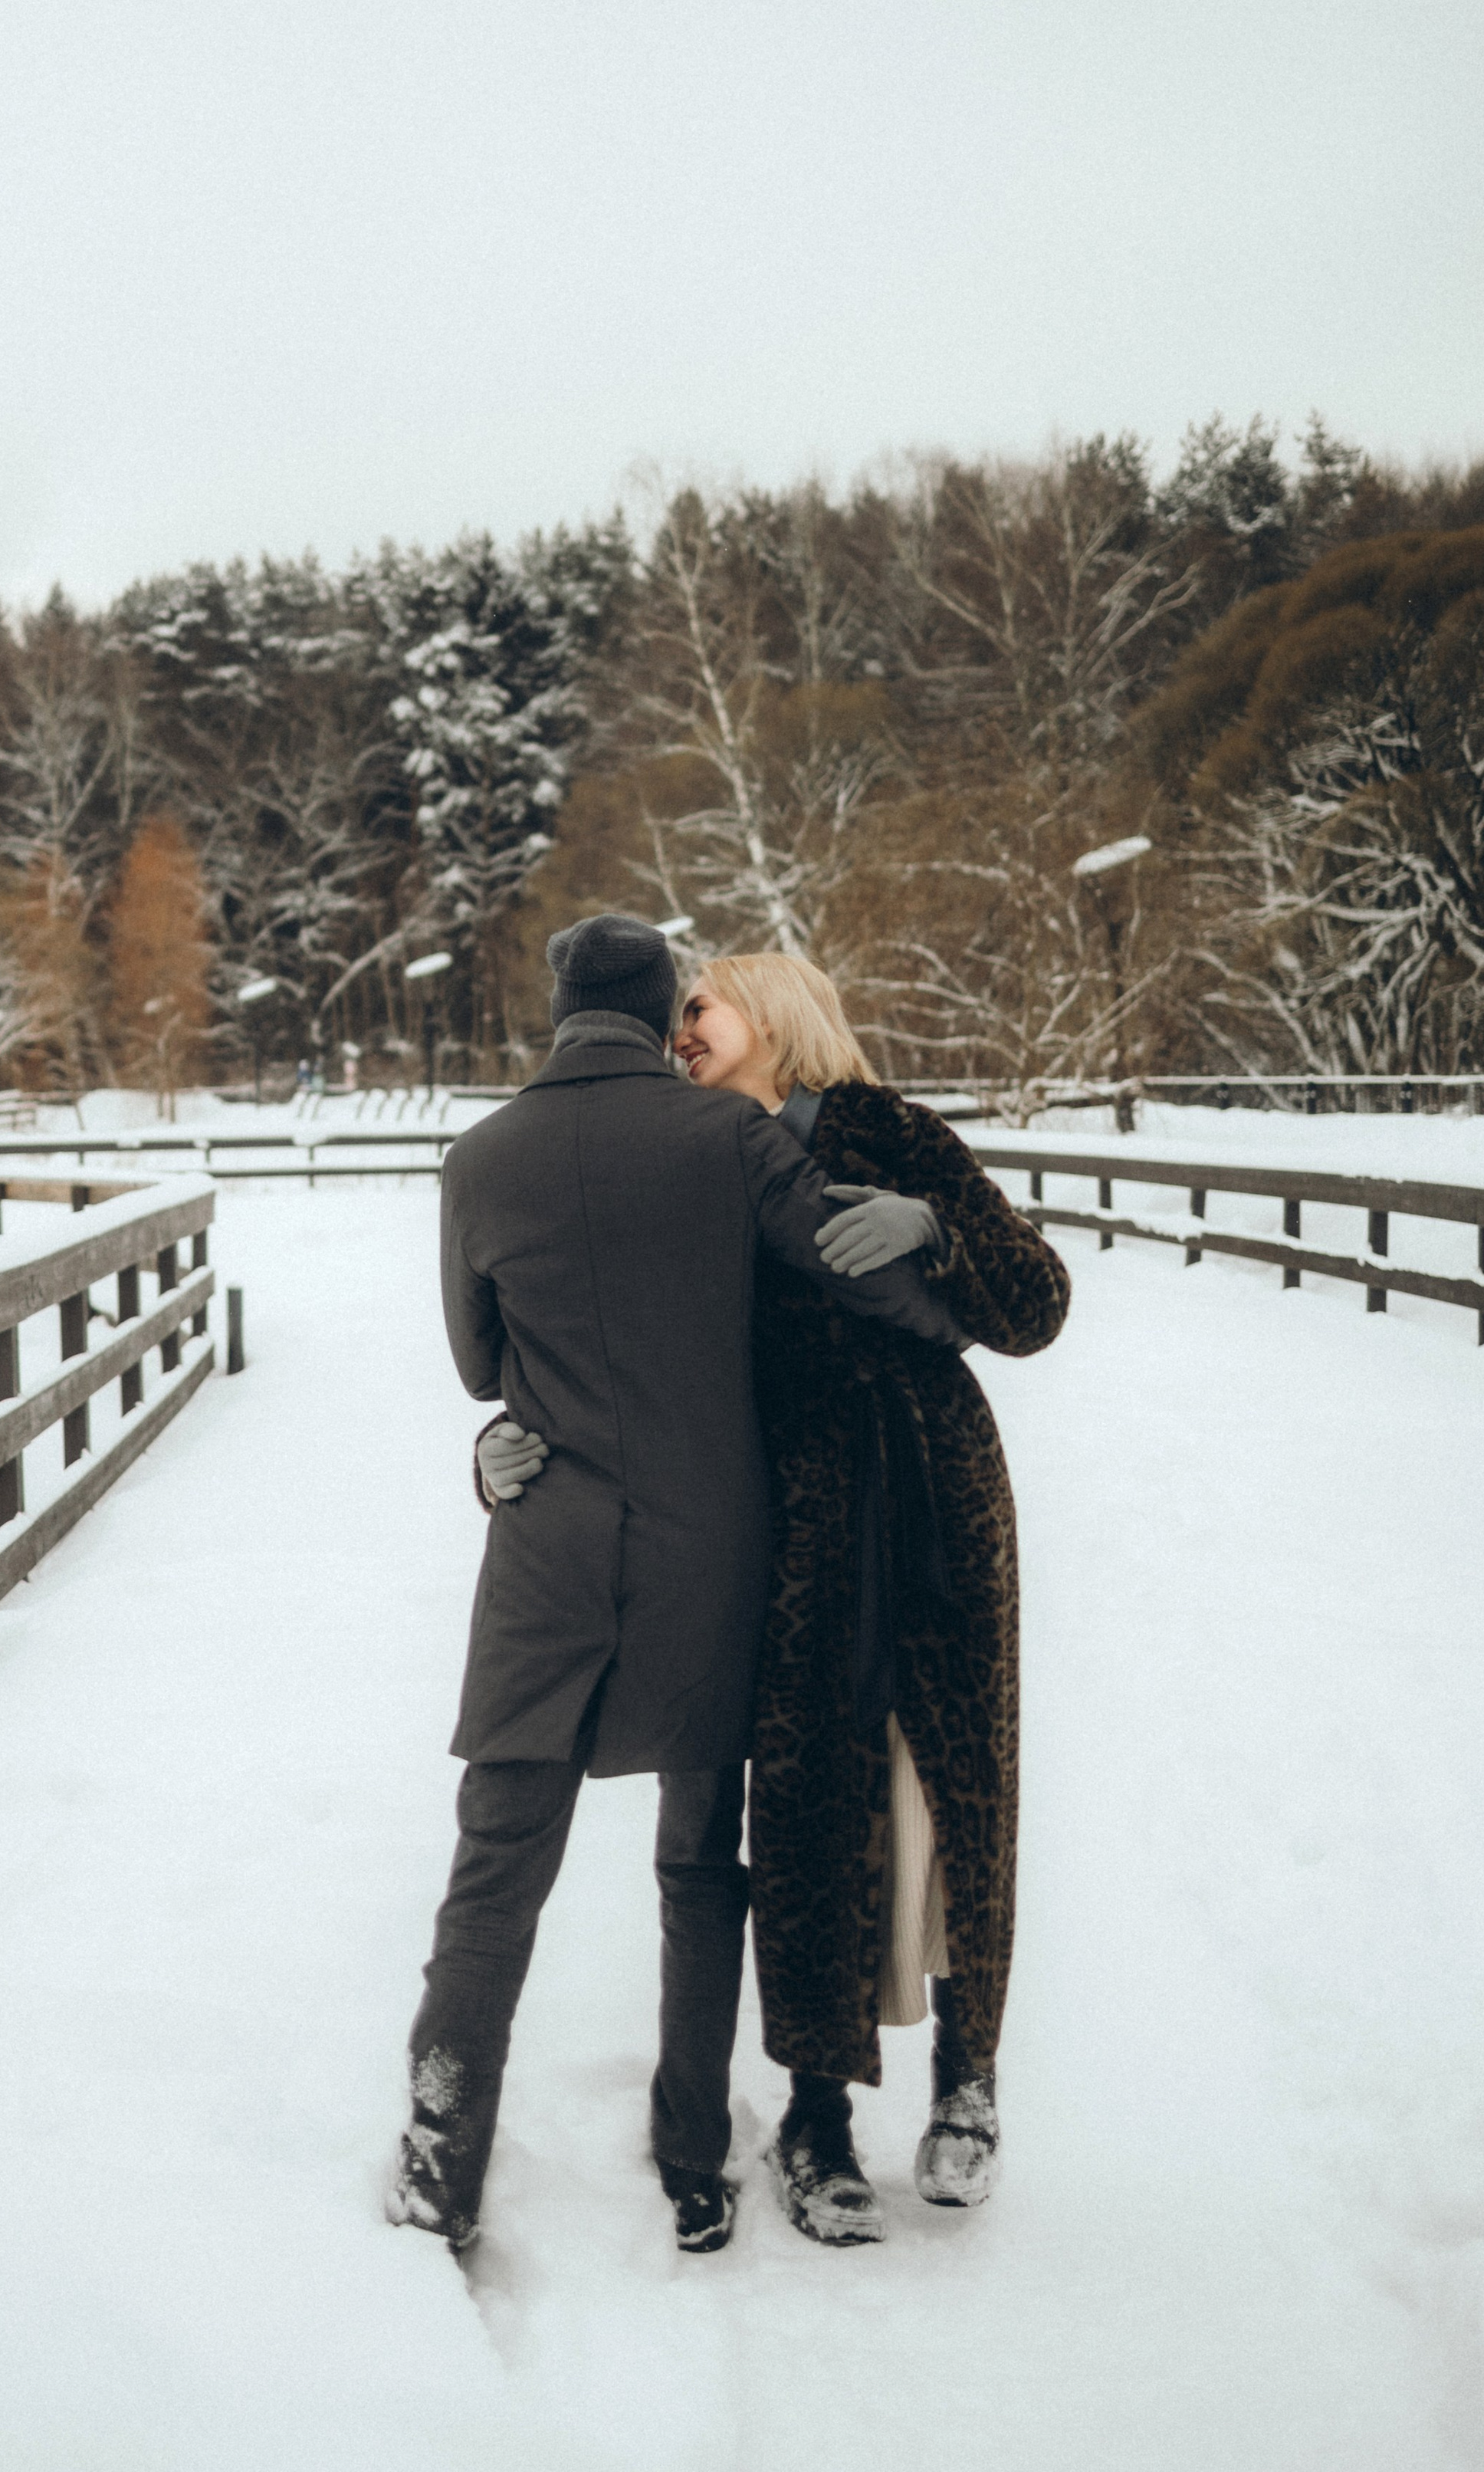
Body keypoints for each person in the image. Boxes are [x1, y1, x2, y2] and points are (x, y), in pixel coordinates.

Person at [386, 913, 967, 2260]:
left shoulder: (478, 1161)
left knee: (495, 1874)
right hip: (717, 1562)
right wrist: (949, 1263)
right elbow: (850, 1262)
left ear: (554, 1011)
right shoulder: (730, 1140)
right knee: (704, 1866)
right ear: (661, 1016)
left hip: (550, 1559)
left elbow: (484, 1370)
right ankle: (694, 2155)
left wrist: (501, 1444)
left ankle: (439, 2157)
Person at [678, 952, 1069, 2243]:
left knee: (953, 1788)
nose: (680, 1027)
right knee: (808, 1805)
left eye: (699, 1003)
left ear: (773, 1012)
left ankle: (971, 2086)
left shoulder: (892, 1131)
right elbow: (634, 1347)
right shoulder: (703, 1163)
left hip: (939, 1499)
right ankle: (817, 2117)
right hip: (796, 1528)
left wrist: (939, 1231)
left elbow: (1036, 1301)